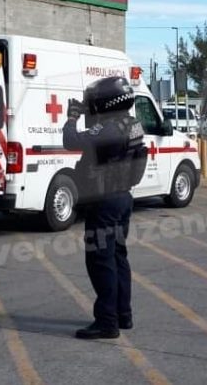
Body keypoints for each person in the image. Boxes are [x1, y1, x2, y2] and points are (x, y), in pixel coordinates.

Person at [63, 76, 148, 340]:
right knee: (118, 256)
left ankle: (106, 322)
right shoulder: (132, 124)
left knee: (100, 260)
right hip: (122, 198)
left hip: (105, 202)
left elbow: (71, 141)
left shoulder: (110, 129)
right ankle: (123, 315)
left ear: (107, 102)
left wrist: (72, 118)